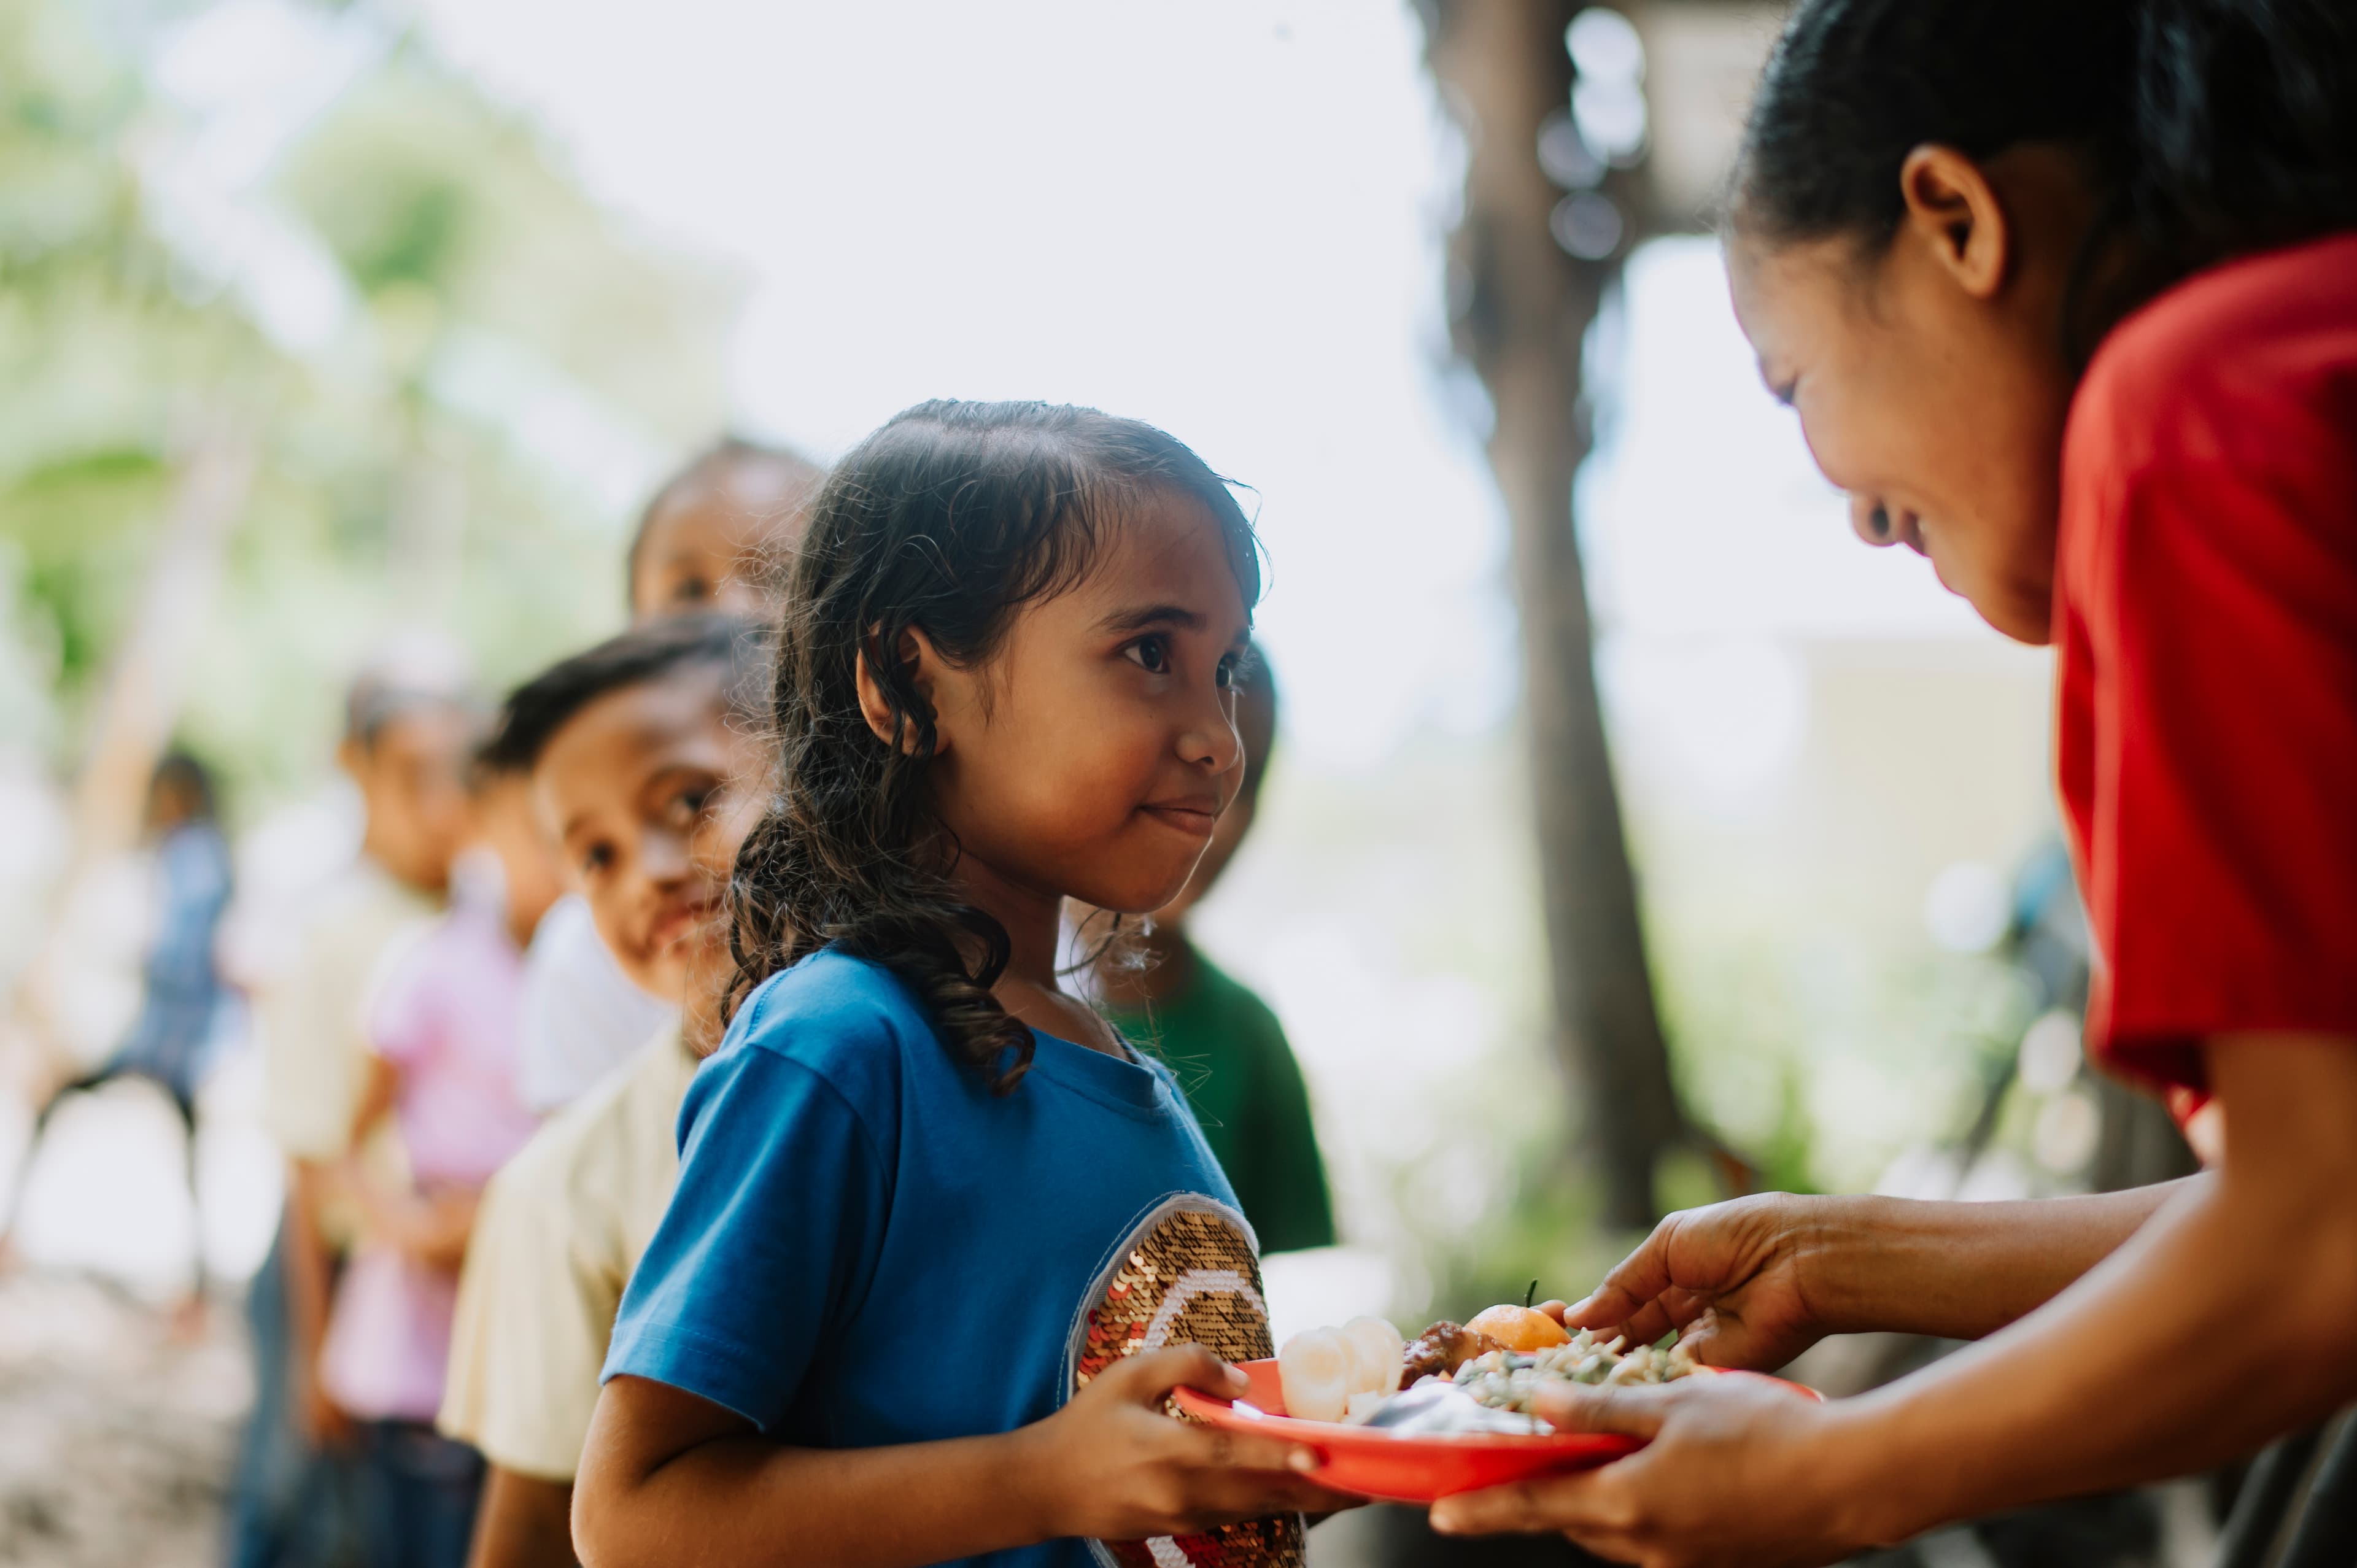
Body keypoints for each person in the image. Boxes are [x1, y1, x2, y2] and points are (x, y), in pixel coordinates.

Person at [1429, 2, 2357, 1563]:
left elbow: (2317, 1241)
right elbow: (2314, 1191)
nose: (1854, 516)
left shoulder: (2189, 413)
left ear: (1953, 221)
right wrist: (1833, 1253)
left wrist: (1822, 1478)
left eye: (1790, 384)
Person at [572, 402, 1357, 1568]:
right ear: (906, 680)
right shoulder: (840, 1043)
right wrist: (1043, 1481)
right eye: (1151, 654)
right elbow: (633, 1515)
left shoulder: (1113, 1061)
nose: (1218, 736)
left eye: (1224, 666)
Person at [436, 612, 770, 1568]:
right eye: (597, 854)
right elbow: (535, 1524)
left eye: (690, 800)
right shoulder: (560, 1187)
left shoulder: (958, 1049)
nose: (651, 873)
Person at [227, 666, 473, 1568]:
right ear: (363, 774)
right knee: (287, 1486)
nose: (443, 801)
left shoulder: (482, 917)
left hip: (422, 1274)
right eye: (415, 774)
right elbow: (308, 1161)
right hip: (324, 1262)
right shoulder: (335, 932)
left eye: (462, 772)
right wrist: (316, 1348)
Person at [515, 437, 824, 1114]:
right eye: (686, 591)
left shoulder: (971, 861)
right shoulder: (589, 953)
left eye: (774, 575)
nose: (731, 611)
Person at [318, 749, 562, 1568]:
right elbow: (344, 1145)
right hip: (421, 1342)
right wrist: (412, 1227)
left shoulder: (588, 976)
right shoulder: (433, 965)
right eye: (540, 833)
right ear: (485, 827)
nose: (560, 857)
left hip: (531, 1341)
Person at [1088, 650, 1334, 1254]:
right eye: (1187, 764)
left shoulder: (1250, 1034)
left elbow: (1295, 1290)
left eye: (1247, 787)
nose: (1219, 821)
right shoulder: (960, 1013)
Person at [1, 751, 233, 1321]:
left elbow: (179, 952)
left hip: (164, 1039)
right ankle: (197, 1289)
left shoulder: (191, 857)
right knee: (189, 1157)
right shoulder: (209, 855)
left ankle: (10, 1236)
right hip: (180, 1038)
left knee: (60, 1108)